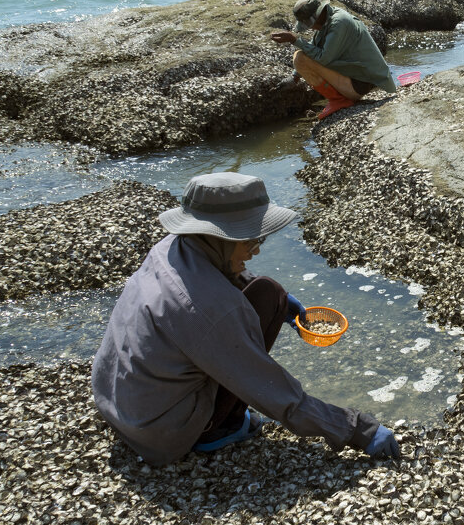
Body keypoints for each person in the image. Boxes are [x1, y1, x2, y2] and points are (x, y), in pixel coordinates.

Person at [91, 172, 400, 465]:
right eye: (251, 240)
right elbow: (271, 391)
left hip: (117, 400)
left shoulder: (170, 247)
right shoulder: (212, 308)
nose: (254, 251)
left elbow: (217, 274)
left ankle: (212, 413)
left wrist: (279, 304)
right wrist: (358, 429)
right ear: (220, 237)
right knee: (250, 347)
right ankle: (216, 429)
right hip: (160, 433)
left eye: (259, 240)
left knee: (269, 293)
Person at [270, 0, 398, 119]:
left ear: (317, 16)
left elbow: (323, 58)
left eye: (310, 25)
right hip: (358, 78)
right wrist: (294, 77)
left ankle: (339, 100)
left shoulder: (339, 23)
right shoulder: (329, 18)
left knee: (300, 58)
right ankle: (339, 98)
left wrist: (295, 40)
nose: (311, 28)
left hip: (361, 84)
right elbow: (314, 47)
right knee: (301, 56)